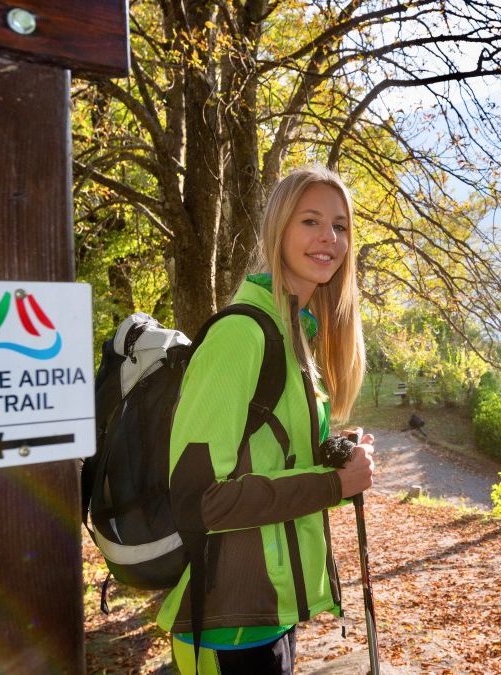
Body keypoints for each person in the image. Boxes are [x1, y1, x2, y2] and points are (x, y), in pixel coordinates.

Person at [157, 166, 374, 674]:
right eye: (311, 221)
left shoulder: (294, 334)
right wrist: (332, 484)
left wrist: (334, 453)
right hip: (225, 628)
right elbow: (199, 499)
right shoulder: (241, 335)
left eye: (340, 226)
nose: (329, 238)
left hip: (270, 616)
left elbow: (269, 454)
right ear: (279, 230)